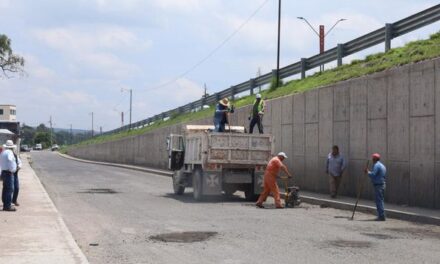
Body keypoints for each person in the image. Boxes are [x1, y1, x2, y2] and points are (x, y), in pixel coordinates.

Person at [365, 153, 387, 221]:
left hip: (378, 185)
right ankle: (381, 215)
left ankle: (381, 216)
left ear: (374, 159)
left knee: (379, 201)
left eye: (372, 159)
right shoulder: (382, 165)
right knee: (381, 200)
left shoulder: (376, 165)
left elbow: (373, 174)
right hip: (382, 184)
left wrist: (367, 172)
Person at [1, 140, 18, 211]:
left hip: (3, 172)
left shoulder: (3, 152)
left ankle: (5, 204)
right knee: (10, 189)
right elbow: (10, 161)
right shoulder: (10, 153)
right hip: (8, 172)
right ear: (12, 147)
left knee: (5, 189)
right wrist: (12, 170)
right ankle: (7, 206)